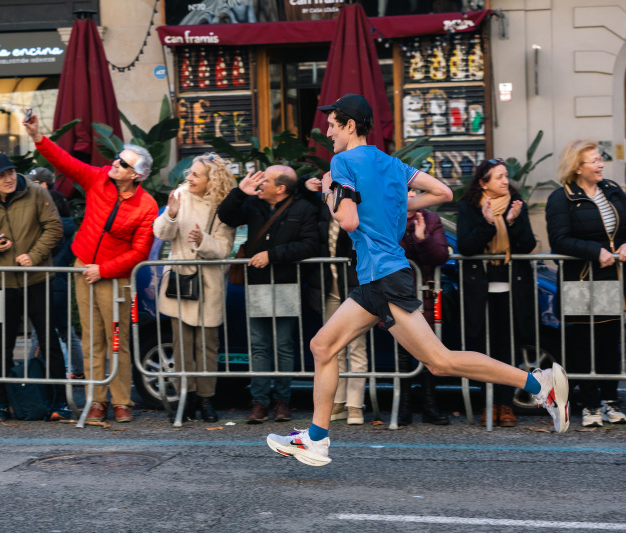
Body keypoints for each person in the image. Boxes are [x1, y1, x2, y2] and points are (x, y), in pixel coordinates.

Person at [267, 93, 570, 467]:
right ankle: (316, 439)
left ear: (349, 125)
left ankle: (540, 385)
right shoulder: (392, 164)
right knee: (323, 346)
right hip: (381, 276)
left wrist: (330, 189)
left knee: (439, 361)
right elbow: (442, 192)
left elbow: (347, 221)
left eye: (332, 125)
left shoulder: (343, 162)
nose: (327, 132)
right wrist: (394, 204)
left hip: (384, 275)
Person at [24, 115, 158, 424]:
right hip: (84, 268)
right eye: (117, 158)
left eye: (124, 164)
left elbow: (140, 251)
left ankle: (122, 401)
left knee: (117, 340)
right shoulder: (99, 177)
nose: (115, 164)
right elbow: (66, 163)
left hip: (116, 277)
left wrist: (105, 269)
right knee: (92, 339)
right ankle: (97, 399)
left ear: (137, 175)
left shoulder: (146, 205)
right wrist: (37, 136)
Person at [217, 165, 319, 424]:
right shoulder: (253, 203)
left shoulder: (303, 209)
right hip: (257, 284)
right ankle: (259, 402)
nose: (260, 183)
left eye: (265, 180)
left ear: (281, 188)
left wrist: (272, 255)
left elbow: (309, 244)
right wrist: (240, 192)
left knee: (284, 345)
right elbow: (226, 216)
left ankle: (282, 401)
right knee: (259, 346)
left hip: (287, 283)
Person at [0, 153, 69, 422]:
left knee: (49, 341)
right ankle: (1, 403)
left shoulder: (37, 193)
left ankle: (58, 402)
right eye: (1, 175)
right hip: (3, 281)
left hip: (37, 279)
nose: (8, 178)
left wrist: (34, 256)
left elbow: (54, 228)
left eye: (11, 172)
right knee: (1, 346)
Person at [545, 140, 626, 428]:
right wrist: (596, 251)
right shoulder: (561, 197)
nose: (601, 163)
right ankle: (589, 404)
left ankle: (610, 401)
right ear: (578, 168)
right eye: (594, 160)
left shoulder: (613, 190)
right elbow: (559, 239)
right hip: (580, 279)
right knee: (583, 344)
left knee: (609, 342)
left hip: (612, 278)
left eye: (600, 158)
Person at [154, 153, 237, 423]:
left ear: (211, 180)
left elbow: (224, 248)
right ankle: (186, 398)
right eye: (189, 173)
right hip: (181, 280)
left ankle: (206, 399)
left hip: (209, 283)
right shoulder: (180, 196)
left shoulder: (223, 206)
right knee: (182, 346)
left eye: (195, 175)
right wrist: (172, 214)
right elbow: (161, 233)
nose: (188, 177)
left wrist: (203, 240)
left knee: (207, 347)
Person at [457, 159, 537, 427]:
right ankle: (486, 404)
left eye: (506, 176)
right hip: (479, 291)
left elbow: (527, 245)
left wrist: (513, 223)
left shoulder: (516, 205)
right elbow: (466, 246)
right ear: (483, 182)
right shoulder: (469, 207)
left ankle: (506, 405)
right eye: (499, 177)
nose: (506, 181)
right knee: (481, 349)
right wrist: (488, 223)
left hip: (511, 290)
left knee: (507, 348)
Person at [302, 176, 367, 425]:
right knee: (333, 348)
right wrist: (304, 185)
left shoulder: (353, 210)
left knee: (357, 348)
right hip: (328, 289)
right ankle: (338, 402)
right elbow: (298, 199)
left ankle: (355, 406)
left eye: (333, 187)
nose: (330, 190)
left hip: (353, 287)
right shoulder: (322, 211)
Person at [397, 188, 452, 425]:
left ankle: (430, 406)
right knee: (403, 353)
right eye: (406, 192)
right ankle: (403, 408)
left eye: (415, 192)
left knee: (430, 350)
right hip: (397, 293)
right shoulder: (388, 217)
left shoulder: (430, 219)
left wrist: (422, 238)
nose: (411, 196)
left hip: (425, 293)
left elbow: (441, 255)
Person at [26, 167, 85, 379]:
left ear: (43, 186)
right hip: (60, 285)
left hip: (44, 282)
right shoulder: (70, 228)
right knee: (66, 331)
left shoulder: (46, 224)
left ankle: (35, 373)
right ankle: (78, 371)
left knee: (38, 332)